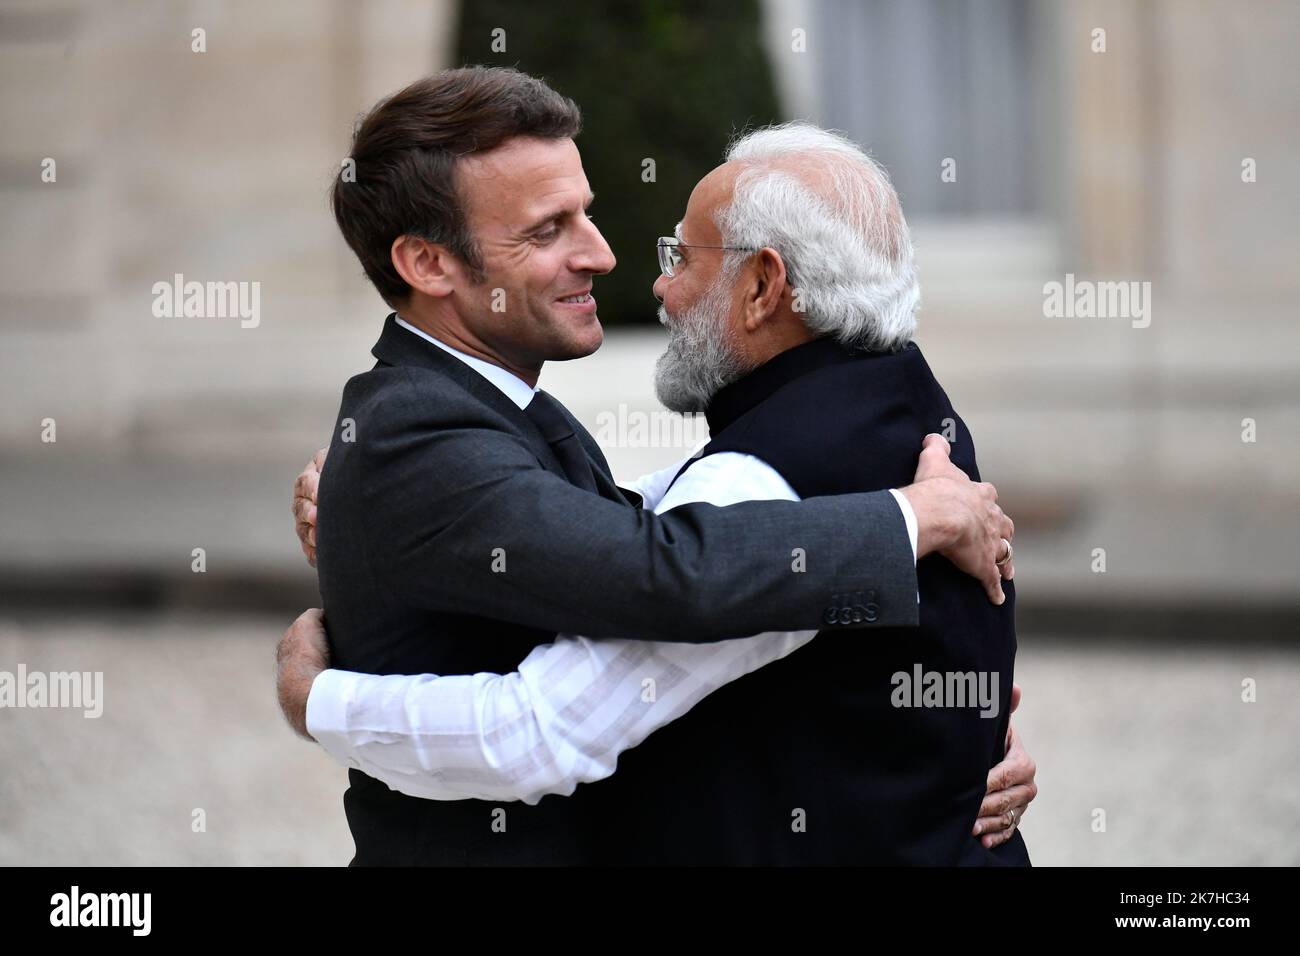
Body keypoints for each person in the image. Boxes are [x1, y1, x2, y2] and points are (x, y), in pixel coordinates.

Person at [283, 66, 1022, 865]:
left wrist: (321, 696)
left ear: (763, 285)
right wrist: (918, 521)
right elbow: (656, 578)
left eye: (589, 219)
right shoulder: (908, 406)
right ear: (429, 265)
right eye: (547, 230)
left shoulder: (517, 419)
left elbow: (647, 562)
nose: (609, 259)